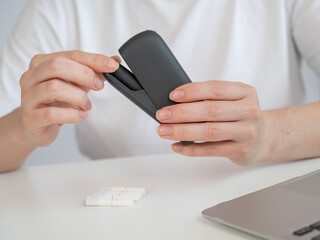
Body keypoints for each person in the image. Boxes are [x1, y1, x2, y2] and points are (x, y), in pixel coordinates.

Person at [0, 0, 319, 173]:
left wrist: (268, 133)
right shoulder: (57, 8)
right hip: (123, 210)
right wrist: (23, 128)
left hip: (260, 186)